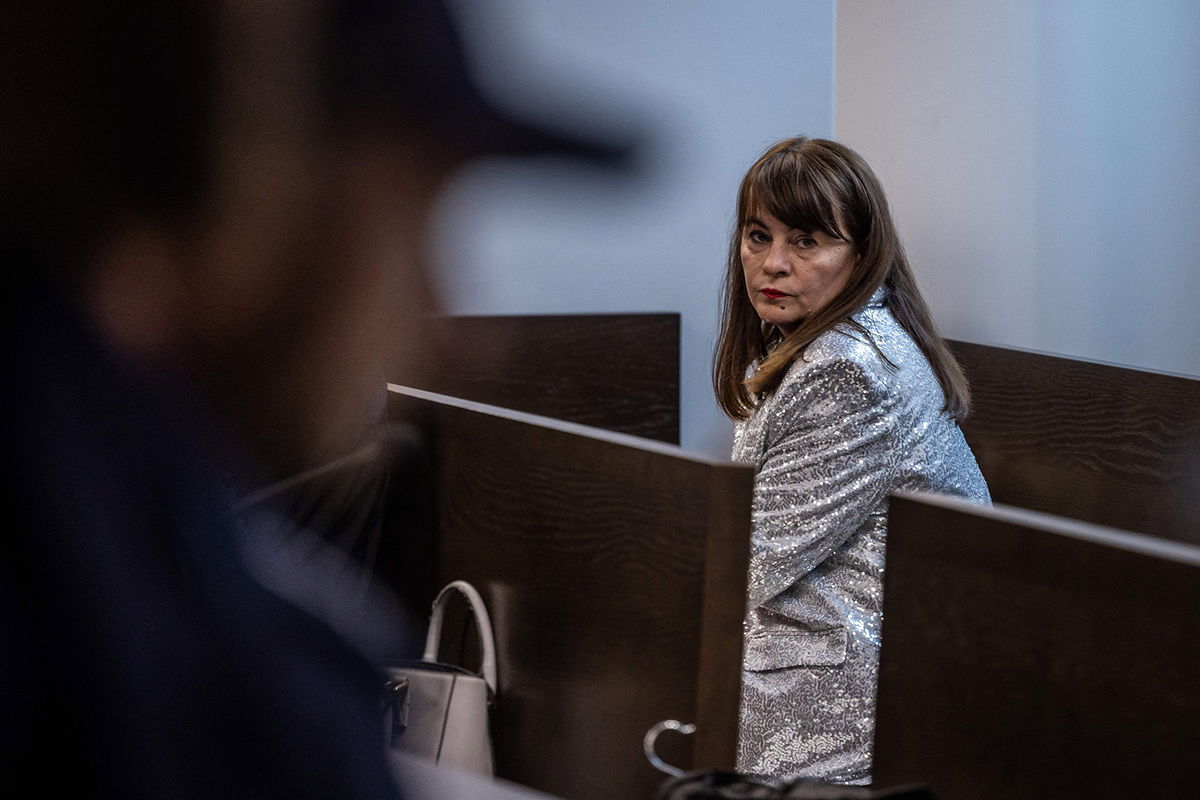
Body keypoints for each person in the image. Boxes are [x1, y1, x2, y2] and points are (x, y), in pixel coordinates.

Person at [2, 0, 627, 796]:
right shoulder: (84, 600)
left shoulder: (127, 490)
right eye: (418, 218)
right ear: (265, 160)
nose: (453, 326)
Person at [712, 137, 991, 785]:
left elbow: (746, 565)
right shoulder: (817, 345)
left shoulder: (848, 372)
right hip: (821, 658)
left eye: (806, 241)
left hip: (847, 699)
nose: (772, 264)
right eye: (758, 236)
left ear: (862, 255)